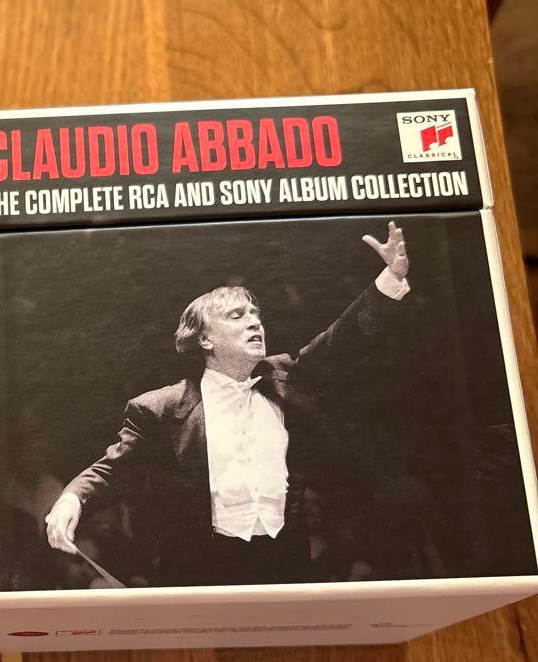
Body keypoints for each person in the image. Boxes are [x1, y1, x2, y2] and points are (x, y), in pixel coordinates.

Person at [44, 221, 411, 586]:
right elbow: (111, 469)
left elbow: (341, 341)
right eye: (237, 316)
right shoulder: (160, 408)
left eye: (256, 315)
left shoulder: (288, 379)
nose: (255, 323)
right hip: (202, 570)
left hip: (286, 565)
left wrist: (390, 279)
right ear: (205, 339)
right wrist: (70, 500)